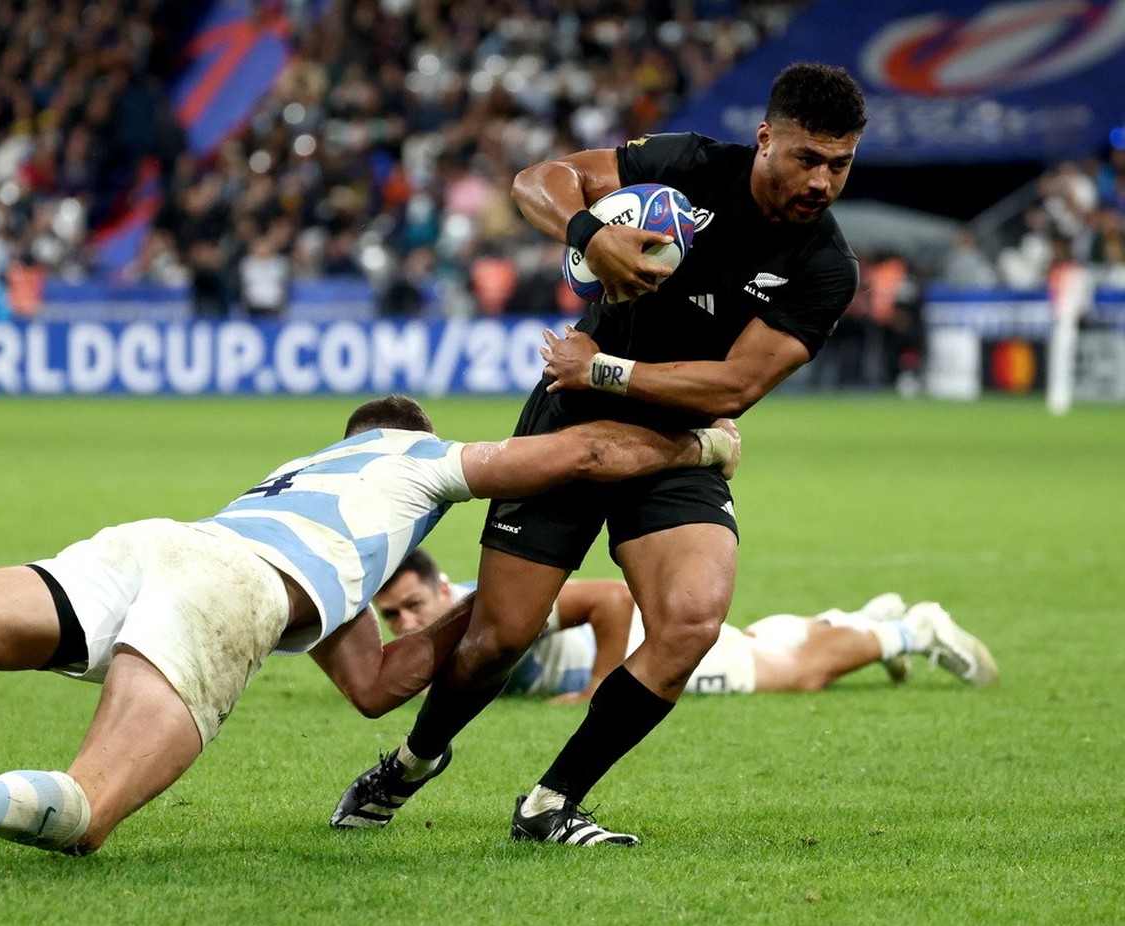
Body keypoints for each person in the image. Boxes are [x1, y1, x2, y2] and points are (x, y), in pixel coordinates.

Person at [0, 397, 739, 871]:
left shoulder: (306, 483)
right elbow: (581, 457)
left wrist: (478, 631)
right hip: (227, 589)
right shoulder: (417, 461)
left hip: (160, 542)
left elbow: (376, 682)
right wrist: (700, 451)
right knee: (90, 810)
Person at [329, 62, 870, 846]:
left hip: (673, 442)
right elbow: (537, 179)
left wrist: (605, 368)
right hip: (571, 424)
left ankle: (552, 802)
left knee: (690, 623)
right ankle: (412, 762)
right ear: (765, 139)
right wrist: (589, 233)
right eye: (806, 158)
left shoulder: (825, 265)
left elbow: (738, 382)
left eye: (840, 163)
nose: (821, 180)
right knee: (499, 638)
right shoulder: (688, 166)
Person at [371, 550, 997, 703]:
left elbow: (611, 601)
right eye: (391, 616)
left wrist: (599, 689)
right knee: (755, 646)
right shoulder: (443, 627)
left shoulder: (484, 607)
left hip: (646, 647)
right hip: (639, 642)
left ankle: (916, 629)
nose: (405, 623)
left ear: (443, 587)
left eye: (412, 605)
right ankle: (855, 622)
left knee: (794, 677)